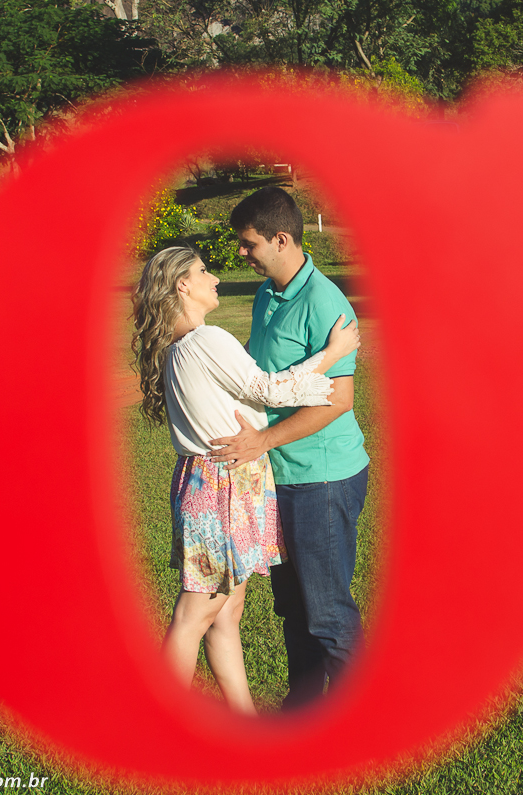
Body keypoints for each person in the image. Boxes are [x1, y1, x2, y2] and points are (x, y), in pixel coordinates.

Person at [131, 245, 360, 716]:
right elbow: (268, 390)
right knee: (195, 613)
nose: (215, 278)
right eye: (204, 271)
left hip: (224, 479)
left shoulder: (182, 345)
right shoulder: (205, 339)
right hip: (222, 482)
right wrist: (332, 355)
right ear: (183, 285)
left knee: (227, 612)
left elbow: (251, 386)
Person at [207, 187, 370, 709]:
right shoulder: (265, 295)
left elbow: (339, 400)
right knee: (294, 609)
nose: (241, 253)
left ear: (281, 239)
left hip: (322, 478)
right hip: (281, 476)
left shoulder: (325, 303)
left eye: (248, 243)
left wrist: (262, 440)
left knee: (326, 611)